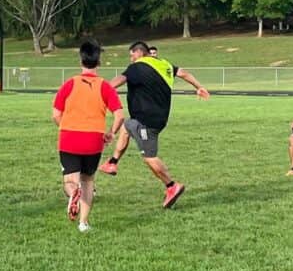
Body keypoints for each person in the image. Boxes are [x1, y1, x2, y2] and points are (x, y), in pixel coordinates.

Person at [98, 41, 209, 208]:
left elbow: (116, 82)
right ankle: (112, 163)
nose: (131, 59)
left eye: (132, 55)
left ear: (139, 53)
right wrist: (199, 87)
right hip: (159, 118)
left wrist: (97, 90)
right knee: (127, 126)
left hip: (146, 121)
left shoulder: (137, 67)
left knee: (149, 157)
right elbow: (184, 73)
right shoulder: (165, 64)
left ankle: (172, 186)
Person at [52, 39, 124, 232]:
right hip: (93, 139)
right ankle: (83, 223)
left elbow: (56, 114)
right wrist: (111, 133)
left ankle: (72, 193)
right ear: (98, 62)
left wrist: (66, 126)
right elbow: (119, 115)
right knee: (88, 181)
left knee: (70, 179)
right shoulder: (105, 86)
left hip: (69, 137)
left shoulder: (69, 84)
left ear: (80, 61)